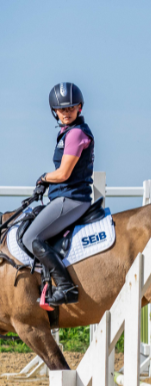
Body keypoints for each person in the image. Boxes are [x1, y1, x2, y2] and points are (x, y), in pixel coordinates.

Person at [26, 82, 96, 309]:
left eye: (71, 108)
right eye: (61, 109)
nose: (66, 112)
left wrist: (44, 177)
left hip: (72, 198)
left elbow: (64, 173)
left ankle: (66, 287)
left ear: (79, 108)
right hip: (66, 196)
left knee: (30, 238)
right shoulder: (67, 132)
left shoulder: (75, 134)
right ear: (54, 111)